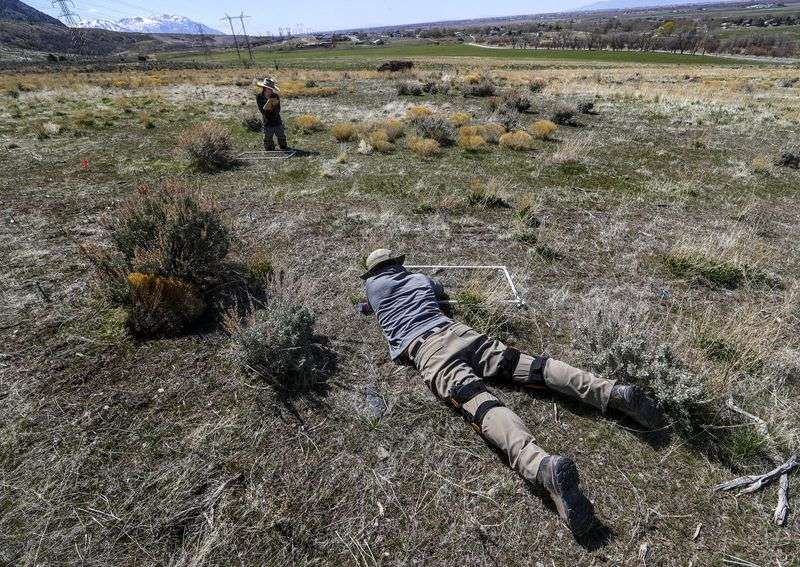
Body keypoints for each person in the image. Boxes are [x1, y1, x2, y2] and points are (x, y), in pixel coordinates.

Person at [357, 248, 665, 536]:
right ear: (398, 264)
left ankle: (541, 466)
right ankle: (610, 391)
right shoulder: (417, 278)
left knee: (480, 404)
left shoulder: (372, 287)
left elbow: (369, 307)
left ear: (372, 273)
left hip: (429, 351)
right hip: (460, 333)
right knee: (533, 368)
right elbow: (439, 292)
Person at [255, 77, 288, 152]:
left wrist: (273, 109)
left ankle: (282, 145)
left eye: (271, 88)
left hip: (276, 119)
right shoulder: (259, 97)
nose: (270, 90)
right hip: (267, 120)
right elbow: (261, 110)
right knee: (268, 139)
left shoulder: (275, 96)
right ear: (264, 88)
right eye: (268, 88)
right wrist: (267, 109)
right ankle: (270, 147)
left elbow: (278, 108)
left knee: (281, 137)